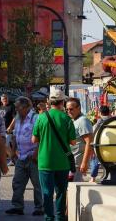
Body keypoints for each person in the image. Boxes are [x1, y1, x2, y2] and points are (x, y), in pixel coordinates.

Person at [32, 89, 76, 221]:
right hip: (62, 162)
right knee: (61, 192)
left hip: (45, 162)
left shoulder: (41, 117)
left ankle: (48, 218)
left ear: (50, 102)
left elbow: (34, 140)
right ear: (62, 102)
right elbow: (73, 142)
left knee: (47, 192)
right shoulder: (67, 119)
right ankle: (60, 218)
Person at [5, 97, 43, 216]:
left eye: (18, 107)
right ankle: (18, 206)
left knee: (37, 184)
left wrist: (36, 154)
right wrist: (13, 151)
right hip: (21, 156)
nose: (16, 110)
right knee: (17, 182)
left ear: (26, 107)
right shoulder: (17, 118)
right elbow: (16, 136)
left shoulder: (36, 118)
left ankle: (39, 207)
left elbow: (41, 138)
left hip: (33, 156)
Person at [66, 98, 93, 182]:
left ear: (79, 108)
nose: (69, 111)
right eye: (67, 109)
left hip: (77, 163)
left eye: (71, 109)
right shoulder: (74, 120)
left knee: (74, 188)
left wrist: (84, 163)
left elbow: (89, 142)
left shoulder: (83, 121)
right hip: (72, 162)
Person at [89, 105, 111, 183]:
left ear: (100, 113)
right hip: (112, 145)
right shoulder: (113, 121)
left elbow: (93, 133)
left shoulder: (99, 122)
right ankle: (108, 175)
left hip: (99, 145)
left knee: (95, 161)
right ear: (109, 112)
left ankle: (93, 178)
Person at [0, 94, 15, 165]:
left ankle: (12, 159)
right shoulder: (1, 107)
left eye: (6, 99)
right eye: (3, 99)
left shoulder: (11, 107)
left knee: (6, 144)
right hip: (1, 129)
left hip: (8, 129)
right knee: (4, 145)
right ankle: (11, 158)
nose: (5, 100)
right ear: (1, 100)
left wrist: (10, 127)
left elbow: (14, 117)